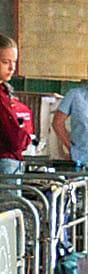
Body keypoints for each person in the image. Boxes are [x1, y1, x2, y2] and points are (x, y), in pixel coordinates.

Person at [0, 35, 35, 177]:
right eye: (5, 62)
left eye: (14, 62)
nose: (12, 68)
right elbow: (14, 139)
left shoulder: (6, 92)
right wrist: (25, 137)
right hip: (5, 161)